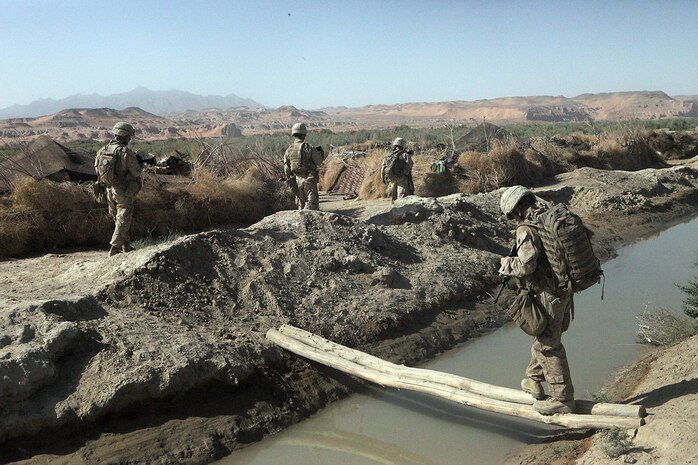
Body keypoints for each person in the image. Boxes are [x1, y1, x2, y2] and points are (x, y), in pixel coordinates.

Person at [498, 185, 576, 415]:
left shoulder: (526, 229)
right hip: (563, 290)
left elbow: (526, 265)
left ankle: (563, 399)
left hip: (547, 293)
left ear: (515, 210)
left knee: (549, 346)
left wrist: (506, 264)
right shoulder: (548, 217)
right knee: (544, 338)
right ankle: (533, 379)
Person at [98, 122, 143, 256]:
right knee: (124, 217)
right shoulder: (125, 152)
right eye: (129, 136)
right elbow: (136, 172)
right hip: (122, 190)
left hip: (108, 189)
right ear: (125, 136)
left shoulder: (103, 150)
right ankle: (115, 247)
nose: (130, 139)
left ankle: (126, 245)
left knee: (118, 219)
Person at [283, 122, 324, 210]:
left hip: (297, 180)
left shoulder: (289, 150)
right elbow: (319, 161)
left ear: (293, 134)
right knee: (312, 205)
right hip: (309, 179)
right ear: (304, 134)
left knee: (300, 205)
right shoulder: (308, 147)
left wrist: (290, 179)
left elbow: (286, 168)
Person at [381, 137, 414, 202]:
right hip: (401, 178)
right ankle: (401, 209)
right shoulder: (405, 155)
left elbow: (383, 168)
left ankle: (394, 208)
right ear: (403, 145)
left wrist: (383, 178)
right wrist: (405, 174)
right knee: (401, 195)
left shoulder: (389, 155)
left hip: (392, 178)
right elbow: (410, 164)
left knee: (393, 196)